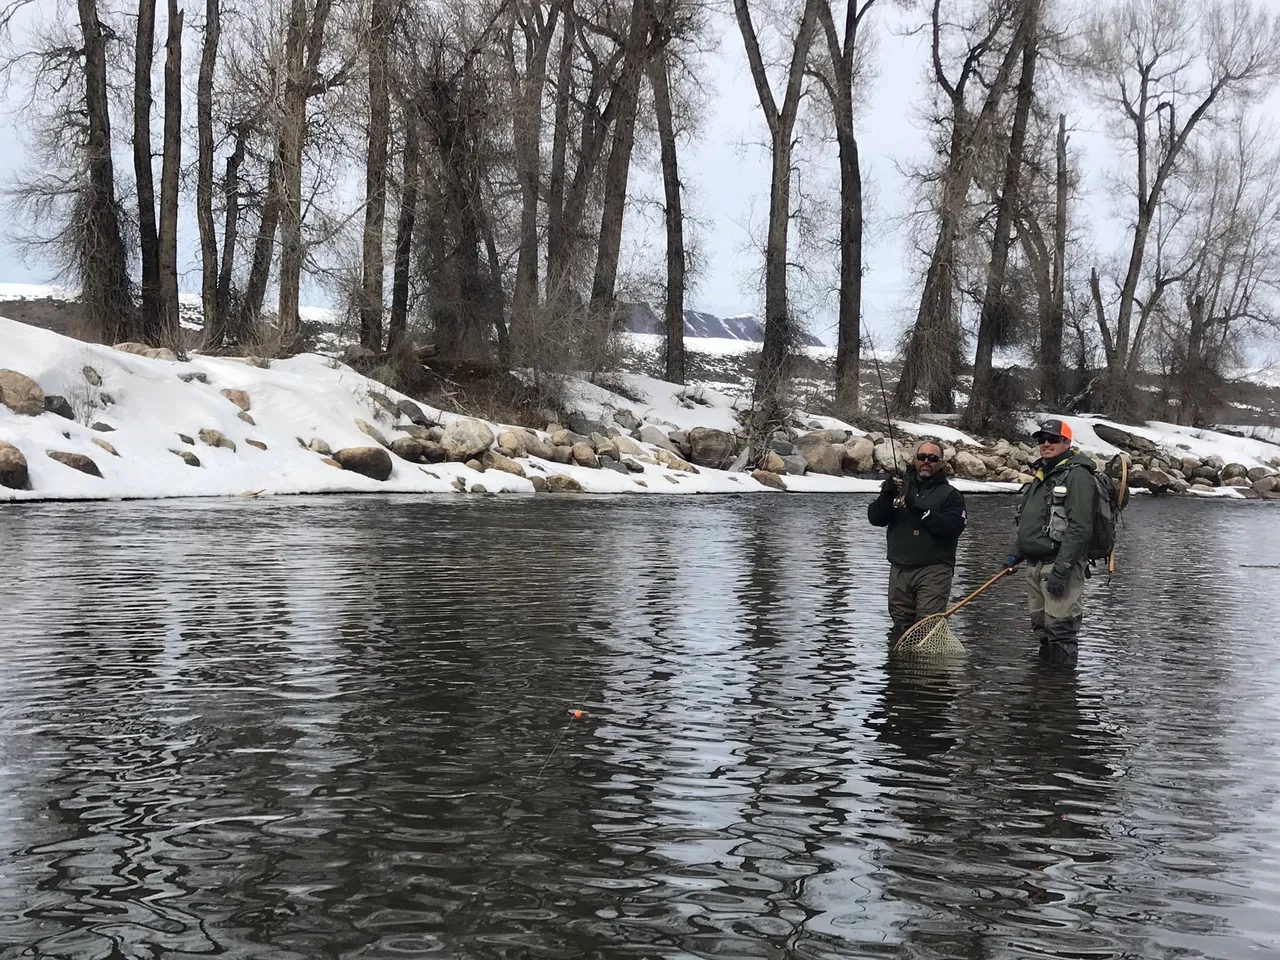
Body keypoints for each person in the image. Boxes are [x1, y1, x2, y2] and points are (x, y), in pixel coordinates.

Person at [1007, 418, 1096, 654]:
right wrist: (1015, 554)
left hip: (1059, 566)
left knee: (1061, 633)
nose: (1046, 443)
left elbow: (1080, 527)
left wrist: (1062, 569)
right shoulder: (1043, 474)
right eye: (1041, 439)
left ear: (1066, 442)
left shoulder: (1078, 475)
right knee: (1042, 631)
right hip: (1034, 567)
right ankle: (1044, 687)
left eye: (1053, 439)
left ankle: (1061, 688)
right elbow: (1032, 521)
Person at [868, 439, 968, 644]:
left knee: (926, 627)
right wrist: (886, 495)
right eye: (922, 457)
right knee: (900, 626)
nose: (926, 462)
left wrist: (917, 505)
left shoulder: (951, 496)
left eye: (932, 458)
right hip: (899, 569)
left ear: (941, 463)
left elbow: (952, 528)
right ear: (915, 460)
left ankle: (927, 673)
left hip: (934, 570)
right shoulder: (899, 488)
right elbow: (875, 519)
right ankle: (899, 671)